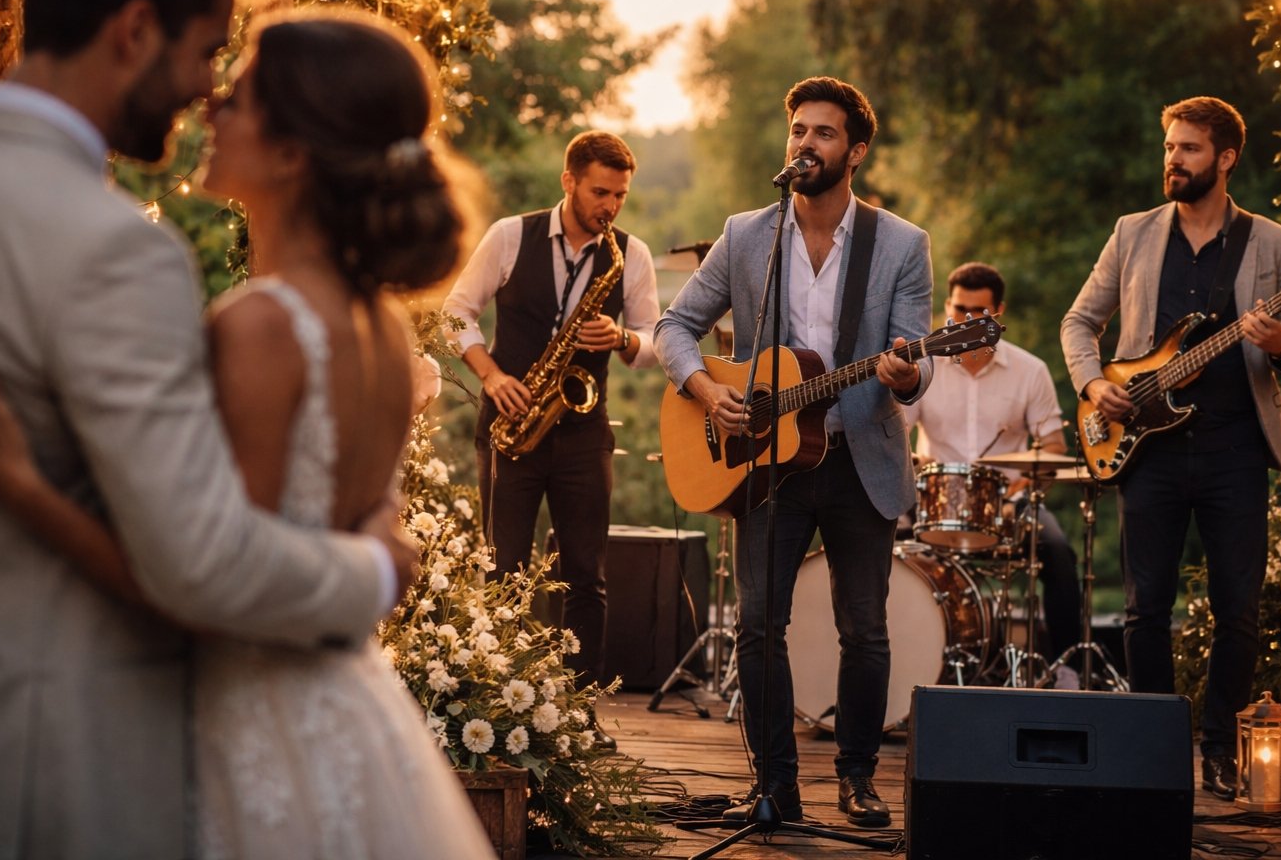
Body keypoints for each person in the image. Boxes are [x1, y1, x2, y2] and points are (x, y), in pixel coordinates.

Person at [0, 0, 459, 859]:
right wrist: (377, 565)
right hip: (67, 775)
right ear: (133, 29)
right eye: (209, 53)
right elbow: (203, 561)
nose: (208, 93)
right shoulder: (119, 250)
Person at [654, 76, 932, 828]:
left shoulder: (901, 244)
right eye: (798, 131)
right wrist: (708, 394)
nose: (806, 143)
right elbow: (673, 328)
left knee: (865, 630)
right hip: (766, 461)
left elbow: (920, 356)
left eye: (824, 133)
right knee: (756, 624)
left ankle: (858, 777)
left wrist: (909, 371)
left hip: (859, 459)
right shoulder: (748, 234)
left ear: (857, 151)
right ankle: (774, 782)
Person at [1060, 95, 1281, 799]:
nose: (1172, 160)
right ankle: (1153, 749)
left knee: (1239, 609)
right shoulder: (1133, 231)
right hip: (1150, 448)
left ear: (1226, 159)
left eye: (1189, 149)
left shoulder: (1272, 242)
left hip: (1237, 450)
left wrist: (1279, 344)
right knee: (1147, 609)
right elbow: (1080, 322)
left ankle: (1221, 750)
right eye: (1170, 147)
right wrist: (1091, 385)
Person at [442, 130, 661, 747]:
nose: (610, 207)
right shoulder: (511, 235)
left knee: (587, 576)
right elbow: (456, 310)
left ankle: (577, 712)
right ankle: (497, 707)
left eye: (619, 195)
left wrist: (620, 340)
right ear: (568, 181)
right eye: (600, 192)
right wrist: (491, 375)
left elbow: (654, 342)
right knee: (504, 571)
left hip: (584, 434)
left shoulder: (630, 254)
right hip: (511, 425)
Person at [899, 261, 1083, 687]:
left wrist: (1014, 488)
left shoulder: (1030, 370)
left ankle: (1066, 669)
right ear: (946, 306)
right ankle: (893, 668)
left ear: (997, 313)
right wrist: (918, 466)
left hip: (1007, 504)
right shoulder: (924, 365)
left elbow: (1052, 449)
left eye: (976, 314)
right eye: (958, 310)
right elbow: (896, 438)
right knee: (878, 547)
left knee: (1057, 549)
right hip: (932, 503)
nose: (965, 321)